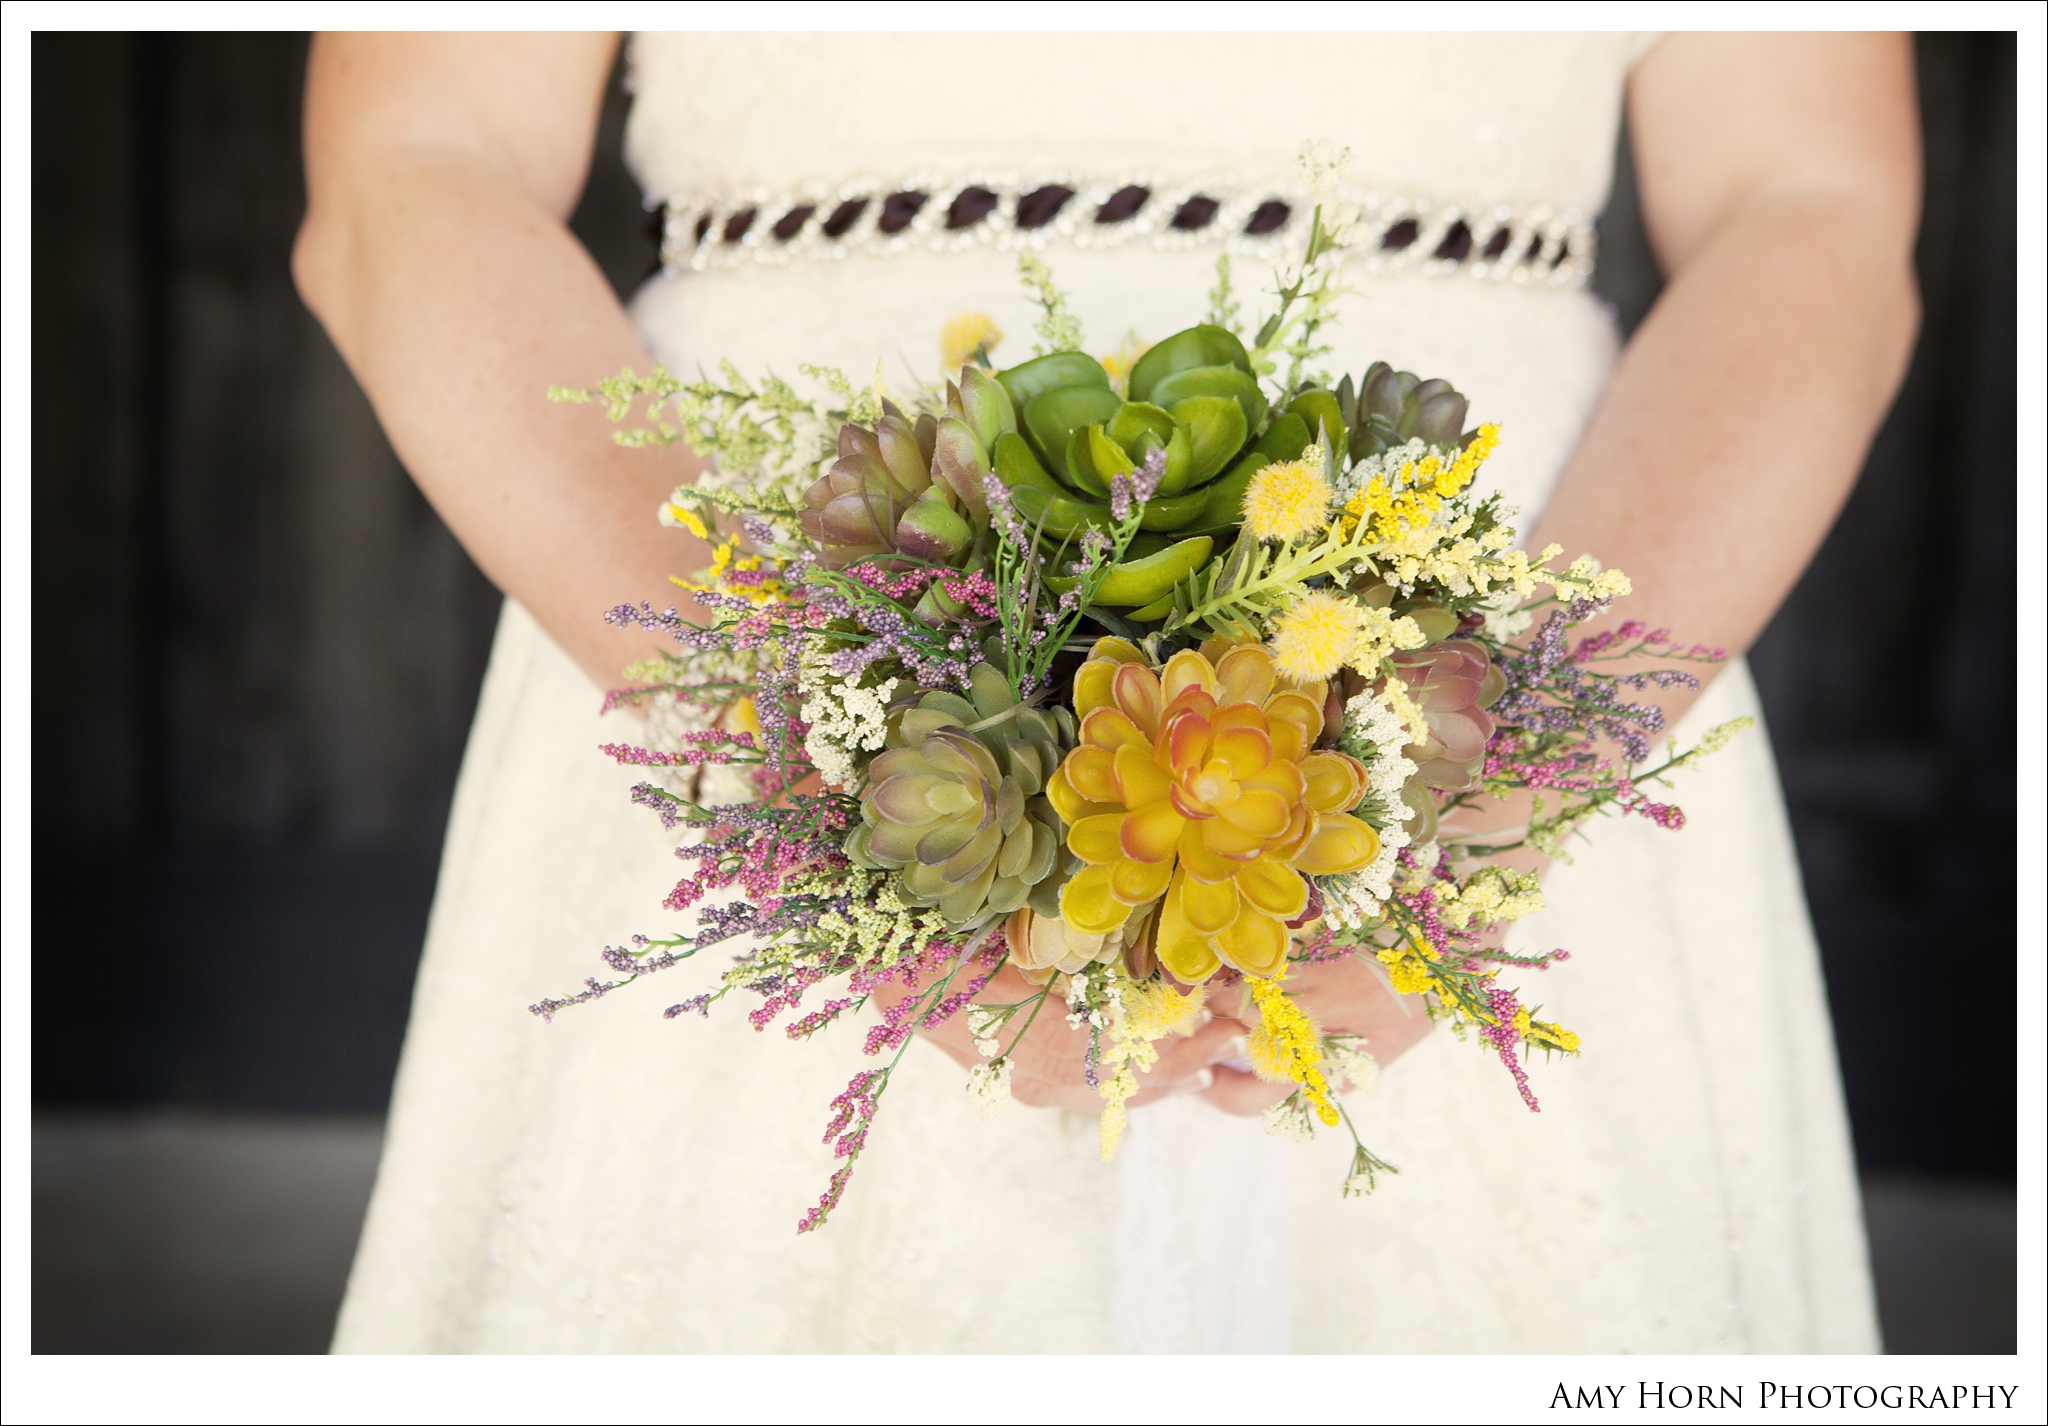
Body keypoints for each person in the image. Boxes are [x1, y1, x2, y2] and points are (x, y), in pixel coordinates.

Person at [296, 32, 1919, 1352]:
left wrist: (1504, 764)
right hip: (750, 590)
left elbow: (1812, 196)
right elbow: (413, 168)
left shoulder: (1515, 746)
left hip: (1534, 596)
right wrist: (816, 777)